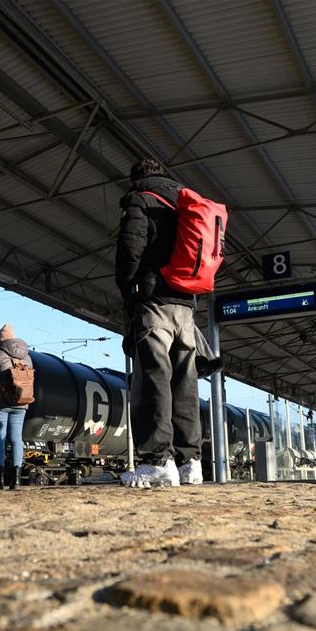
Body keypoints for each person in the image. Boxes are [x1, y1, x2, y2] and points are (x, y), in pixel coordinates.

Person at [115, 158, 202, 488]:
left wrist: (128, 288)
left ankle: (156, 462)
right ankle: (190, 462)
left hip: (154, 302)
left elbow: (130, 248)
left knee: (153, 378)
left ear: (135, 179)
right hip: (186, 306)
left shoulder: (141, 199)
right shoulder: (186, 202)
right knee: (185, 382)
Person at [0, 323, 32, 490]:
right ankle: (16, 481)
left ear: (1, 341)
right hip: (21, 402)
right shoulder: (27, 356)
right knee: (17, 439)